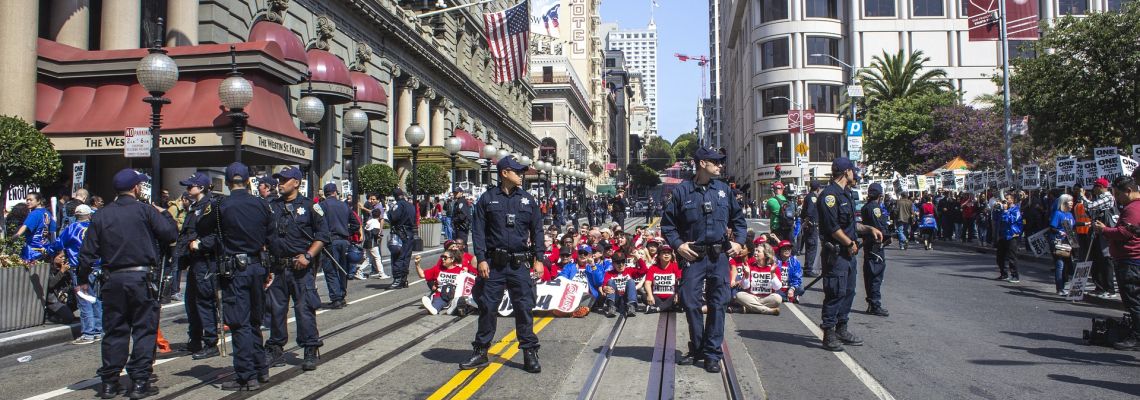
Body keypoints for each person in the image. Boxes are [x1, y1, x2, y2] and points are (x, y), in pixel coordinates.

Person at [78, 169, 178, 399]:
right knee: (144, 330)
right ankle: (140, 382)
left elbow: (87, 252)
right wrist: (166, 215)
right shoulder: (145, 210)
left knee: (114, 330)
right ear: (135, 188)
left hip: (113, 279)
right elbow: (169, 234)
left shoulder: (101, 215)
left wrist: (83, 279)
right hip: (141, 278)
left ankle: (109, 383)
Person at [660, 146, 747, 373]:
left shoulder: (724, 190)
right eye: (715, 161)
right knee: (690, 302)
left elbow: (739, 220)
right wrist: (679, 246)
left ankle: (712, 353)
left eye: (720, 162)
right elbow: (667, 226)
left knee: (719, 303)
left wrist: (738, 242)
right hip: (694, 256)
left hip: (719, 256)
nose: (720, 165)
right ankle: (697, 347)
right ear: (701, 163)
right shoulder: (682, 192)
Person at [461, 155, 545, 373]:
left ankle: (529, 352)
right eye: (517, 171)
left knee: (524, 308)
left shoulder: (527, 200)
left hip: (519, 263)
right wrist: (480, 258)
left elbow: (537, 230)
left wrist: (539, 259)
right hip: (494, 263)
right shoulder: (487, 199)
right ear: (504, 173)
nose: (521, 175)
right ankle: (480, 351)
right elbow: (477, 231)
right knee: (487, 307)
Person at [196, 163, 273, 390]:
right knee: (255, 321)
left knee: (239, 323)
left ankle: (246, 375)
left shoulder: (220, 205)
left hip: (235, 270)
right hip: (257, 267)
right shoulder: (261, 204)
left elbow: (202, 227)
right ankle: (261, 369)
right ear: (249, 180)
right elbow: (272, 234)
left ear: (228, 183)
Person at [265, 167, 329, 372]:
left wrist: (308, 256)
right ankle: (275, 348)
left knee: (304, 309)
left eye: (284, 180)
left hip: (300, 269)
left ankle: (310, 348)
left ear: (296, 182)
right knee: (275, 311)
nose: (280, 183)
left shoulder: (310, 207)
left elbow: (322, 236)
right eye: (279, 179)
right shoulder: (271, 206)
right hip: (277, 267)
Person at [817, 157, 882, 352]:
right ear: (846, 172)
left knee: (849, 290)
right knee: (835, 291)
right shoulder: (829, 196)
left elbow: (851, 225)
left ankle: (841, 328)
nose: (855, 174)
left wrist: (869, 229)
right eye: (853, 171)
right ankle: (828, 332)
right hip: (835, 254)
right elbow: (833, 228)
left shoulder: (847, 194)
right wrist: (849, 243)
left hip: (848, 254)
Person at [174, 172, 222, 360]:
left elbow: (217, 234)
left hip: (206, 261)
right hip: (194, 262)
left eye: (190, 186)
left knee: (205, 301)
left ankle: (210, 342)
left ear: (200, 187)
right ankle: (194, 340)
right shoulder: (194, 207)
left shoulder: (211, 206)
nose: (187, 190)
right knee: (191, 303)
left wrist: (201, 244)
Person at [1092, 176, 1140, 350]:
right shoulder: (1130, 207)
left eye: (1118, 194)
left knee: (1133, 300)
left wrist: (1104, 229)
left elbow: (1124, 233)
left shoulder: (1133, 209)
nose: (1117, 198)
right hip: (1129, 259)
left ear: (1128, 191)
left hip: (1131, 260)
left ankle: (1137, 336)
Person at [54, 205, 102, 344]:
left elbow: (58, 244)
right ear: (89, 214)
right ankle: (99, 330)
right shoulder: (96, 227)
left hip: (79, 268)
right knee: (95, 299)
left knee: (84, 300)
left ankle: (88, 334)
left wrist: (48, 251)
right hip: (97, 266)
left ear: (76, 215)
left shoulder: (72, 228)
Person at [319, 184, 354, 309]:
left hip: (330, 242)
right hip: (344, 241)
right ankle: (342, 295)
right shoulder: (345, 206)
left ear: (325, 193)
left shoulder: (322, 206)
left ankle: (336, 298)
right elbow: (355, 223)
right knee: (343, 269)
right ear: (335, 192)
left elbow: (317, 223)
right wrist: (347, 234)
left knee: (331, 270)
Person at [1083, 178, 1119, 299]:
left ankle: (1110, 289)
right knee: (1097, 259)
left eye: (1095, 187)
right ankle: (1099, 286)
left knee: (1106, 259)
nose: (1093, 189)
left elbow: (1091, 206)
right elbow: (1090, 211)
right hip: (1097, 231)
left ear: (1100, 187)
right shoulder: (1098, 198)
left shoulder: (1107, 197)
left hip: (1105, 232)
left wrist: (1082, 196)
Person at [861, 183, 891, 317]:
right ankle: (875, 304)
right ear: (880, 196)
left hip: (869, 243)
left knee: (870, 274)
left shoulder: (865, 207)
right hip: (876, 244)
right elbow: (879, 226)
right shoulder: (875, 208)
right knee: (875, 275)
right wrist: (887, 236)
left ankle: (872, 303)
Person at [416, 249, 477, 315]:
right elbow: (422, 274)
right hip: (441, 294)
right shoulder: (437, 268)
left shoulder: (460, 271)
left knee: (461, 301)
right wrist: (417, 264)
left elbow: (470, 281)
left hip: (455, 295)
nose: (442, 259)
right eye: (442, 257)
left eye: (445, 257)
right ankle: (434, 309)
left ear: (452, 259)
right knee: (438, 301)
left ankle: (453, 307)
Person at [732, 243, 783, 315]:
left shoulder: (773, 267)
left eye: (758, 251)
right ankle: (767, 310)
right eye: (755, 251)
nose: (755, 253)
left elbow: (777, 287)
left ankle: (749, 308)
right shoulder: (750, 266)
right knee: (739, 295)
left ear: (765, 255)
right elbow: (745, 287)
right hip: (752, 297)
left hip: (767, 298)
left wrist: (772, 273)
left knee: (778, 298)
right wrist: (746, 275)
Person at [386, 188, 416, 289]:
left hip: (400, 233)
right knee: (406, 256)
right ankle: (404, 279)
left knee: (397, 256)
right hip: (409, 233)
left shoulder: (399, 205)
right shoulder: (411, 205)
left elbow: (393, 217)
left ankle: (397, 279)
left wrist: (390, 211)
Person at [1050, 194, 1078, 296]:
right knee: (1060, 265)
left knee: (1067, 264)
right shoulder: (1058, 214)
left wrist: (1086, 224)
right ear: (1064, 203)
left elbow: (1073, 226)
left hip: (1068, 242)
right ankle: (1059, 288)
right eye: (1070, 202)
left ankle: (1064, 283)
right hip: (1058, 242)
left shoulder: (1070, 214)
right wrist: (1059, 232)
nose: (1072, 204)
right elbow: (1052, 227)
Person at [16, 192, 56, 263]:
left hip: (32, 250)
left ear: (38, 201)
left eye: (31, 200)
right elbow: (52, 231)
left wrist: (17, 235)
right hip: (46, 248)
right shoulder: (48, 213)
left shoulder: (34, 213)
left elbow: (25, 226)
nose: (28, 202)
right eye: (27, 200)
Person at [994, 191, 1023, 282]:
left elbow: (1011, 221)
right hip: (1003, 235)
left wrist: (1006, 211)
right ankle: (1004, 274)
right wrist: (996, 209)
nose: (1005, 200)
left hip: (1012, 235)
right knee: (1000, 257)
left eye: (1007, 199)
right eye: (1005, 199)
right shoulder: (1003, 209)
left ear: (1012, 200)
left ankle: (1015, 276)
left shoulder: (1016, 210)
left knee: (1012, 257)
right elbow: (996, 219)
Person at [644, 244, 682, 313]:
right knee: (644, 296)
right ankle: (669, 307)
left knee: (681, 296)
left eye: (668, 253)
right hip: (657, 297)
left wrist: (677, 293)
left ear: (671, 255)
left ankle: (656, 309)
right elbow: (647, 283)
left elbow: (680, 281)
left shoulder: (675, 266)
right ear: (659, 255)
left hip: (671, 297)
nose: (666, 255)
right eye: (664, 253)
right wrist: (649, 295)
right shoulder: (653, 268)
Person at [601, 253, 639, 318]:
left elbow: (644, 270)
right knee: (610, 281)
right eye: (618, 262)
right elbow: (603, 285)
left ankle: (631, 306)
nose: (621, 265)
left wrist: (638, 259)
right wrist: (604, 288)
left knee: (631, 281)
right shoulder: (609, 273)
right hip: (616, 298)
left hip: (627, 298)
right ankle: (611, 307)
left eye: (623, 262)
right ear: (613, 264)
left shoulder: (629, 270)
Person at [359, 208, 389, 280]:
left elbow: (366, 229)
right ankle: (381, 274)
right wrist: (379, 235)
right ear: (379, 215)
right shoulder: (376, 223)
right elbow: (375, 233)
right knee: (377, 258)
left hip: (367, 242)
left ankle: (359, 270)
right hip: (372, 243)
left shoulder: (369, 222)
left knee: (368, 259)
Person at [799, 182, 821, 277]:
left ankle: (808, 267)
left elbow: (804, 212)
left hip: (809, 226)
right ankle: (808, 269)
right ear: (818, 189)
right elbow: (809, 212)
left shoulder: (808, 196)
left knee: (810, 246)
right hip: (812, 226)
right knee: (812, 247)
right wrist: (808, 222)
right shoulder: (813, 197)